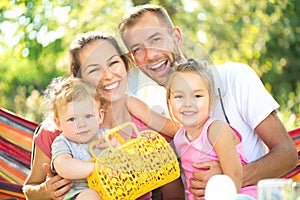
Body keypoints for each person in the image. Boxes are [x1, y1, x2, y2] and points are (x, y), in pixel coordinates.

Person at [118, 4, 298, 199]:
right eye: (138, 49)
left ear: (176, 37)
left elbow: (287, 155)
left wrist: (225, 179)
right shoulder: (157, 111)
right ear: (133, 59)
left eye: (156, 39)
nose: (150, 55)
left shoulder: (234, 77)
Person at [23, 31, 184, 199]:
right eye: (93, 70)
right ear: (79, 79)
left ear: (125, 63)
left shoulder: (138, 112)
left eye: (113, 63)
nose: (107, 75)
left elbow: (184, 135)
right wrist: (44, 191)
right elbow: (30, 189)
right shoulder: (61, 128)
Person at [166, 58, 257, 199]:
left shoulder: (216, 130)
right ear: (169, 101)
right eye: (179, 96)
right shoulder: (179, 138)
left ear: (211, 100)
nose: (188, 103)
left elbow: (236, 176)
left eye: (197, 96)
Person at [43, 76, 106, 199]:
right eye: (72, 119)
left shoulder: (104, 135)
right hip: (79, 192)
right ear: (58, 123)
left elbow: (123, 159)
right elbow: (63, 166)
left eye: (88, 116)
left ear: (100, 116)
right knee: (91, 196)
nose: (81, 124)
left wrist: (116, 147)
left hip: (111, 188)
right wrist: (94, 168)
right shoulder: (63, 143)